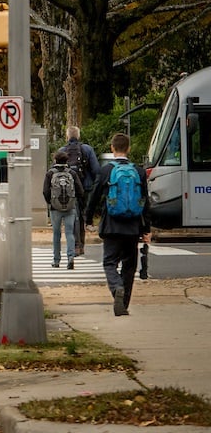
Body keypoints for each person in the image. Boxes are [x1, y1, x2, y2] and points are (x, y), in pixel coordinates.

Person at [86, 132, 150, 316]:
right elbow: (145, 201)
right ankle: (124, 304)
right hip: (133, 226)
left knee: (109, 262)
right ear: (128, 148)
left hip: (112, 225)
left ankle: (116, 288)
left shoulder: (106, 171)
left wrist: (88, 219)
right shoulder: (138, 171)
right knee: (129, 265)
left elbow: (94, 197)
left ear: (112, 148)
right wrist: (147, 229)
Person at [62, 125, 101, 255]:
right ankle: (81, 246)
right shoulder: (87, 149)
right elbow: (96, 170)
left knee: (74, 215)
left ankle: (76, 246)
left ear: (67, 136)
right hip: (86, 187)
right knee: (83, 216)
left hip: (70, 189)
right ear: (78, 136)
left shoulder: (62, 151)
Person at [43, 150, 85, 269]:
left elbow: (45, 191)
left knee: (56, 234)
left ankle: (56, 260)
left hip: (55, 208)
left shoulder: (50, 173)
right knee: (69, 233)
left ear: (55, 160)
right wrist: (74, 200)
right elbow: (81, 191)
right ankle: (70, 258)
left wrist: (51, 202)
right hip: (70, 207)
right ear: (67, 161)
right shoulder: (72, 173)